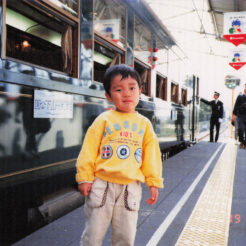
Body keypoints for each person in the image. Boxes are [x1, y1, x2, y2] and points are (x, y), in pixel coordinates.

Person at [76, 64, 163, 246]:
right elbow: (89, 150)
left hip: (130, 187)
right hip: (102, 185)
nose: (127, 94)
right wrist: (85, 177)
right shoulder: (103, 120)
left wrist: (153, 182)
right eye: (118, 89)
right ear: (108, 96)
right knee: (93, 235)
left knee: (126, 236)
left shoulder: (144, 124)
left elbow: (151, 156)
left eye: (132, 88)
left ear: (140, 92)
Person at [232, 84, 246, 149]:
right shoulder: (240, 97)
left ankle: (244, 143)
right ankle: (242, 141)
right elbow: (236, 106)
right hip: (241, 116)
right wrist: (233, 115)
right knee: (240, 130)